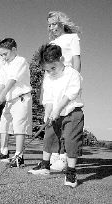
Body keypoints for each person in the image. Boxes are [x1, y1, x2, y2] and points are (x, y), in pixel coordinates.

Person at [28, 43, 84, 188]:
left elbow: (70, 94)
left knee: (71, 141)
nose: (51, 72)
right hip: (55, 114)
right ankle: (45, 166)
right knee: (49, 136)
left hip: (72, 113)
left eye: (53, 68)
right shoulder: (48, 77)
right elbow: (48, 97)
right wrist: (48, 112)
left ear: (62, 59)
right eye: (47, 70)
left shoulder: (72, 74)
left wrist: (58, 108)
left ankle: (71, 172)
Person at [45, 11, 82, 171]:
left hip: (67, 79)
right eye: (49, 25)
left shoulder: (72, 38)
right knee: (53, 117)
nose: (52, 27)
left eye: (54, 24)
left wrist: (75, 78)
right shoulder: (53, 41)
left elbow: (76, 60)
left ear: (62, 23)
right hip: (53, 78)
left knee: (66, 117)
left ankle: (63, 156)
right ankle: (54, 155)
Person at [0, 38, 32, 167]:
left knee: (19, 127)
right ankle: (4, 151)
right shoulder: (5, 65)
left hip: (21, 98)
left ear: (14, 50)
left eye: (5, 54)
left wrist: (1, 96)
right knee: (3, 125)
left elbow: (11, 81)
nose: (3, 57)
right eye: (1, 55)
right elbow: (1, 83)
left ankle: (19, 156)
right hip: (9, 99)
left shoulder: (20, 61)